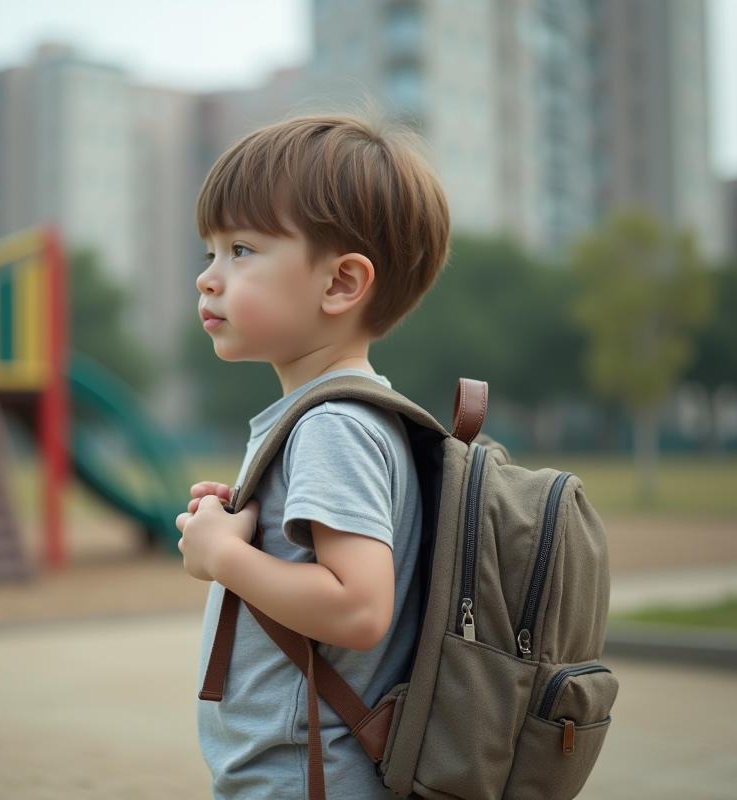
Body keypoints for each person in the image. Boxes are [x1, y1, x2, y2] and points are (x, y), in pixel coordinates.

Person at [175, 113, 450, 799]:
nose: (209, 278)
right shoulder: (331, 419)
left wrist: (224, 557)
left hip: (305, 778)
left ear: (339, 284)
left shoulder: (334, 426)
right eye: (208, 251)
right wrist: (243, 531)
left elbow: (358, 609)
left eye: (241, 250)